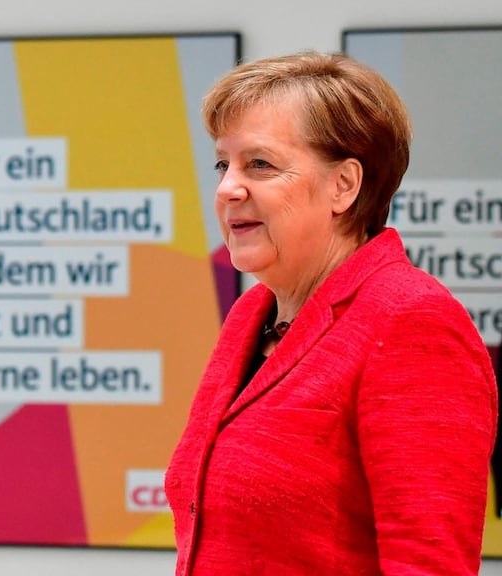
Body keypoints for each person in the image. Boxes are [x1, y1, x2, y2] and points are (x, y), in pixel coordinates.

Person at [165, 51, 497, 575]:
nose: (228, 187)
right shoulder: (252, 314)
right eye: (222, 164)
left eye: (260, 164)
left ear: (344, 185)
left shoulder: (410, 321)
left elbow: (430, 564)